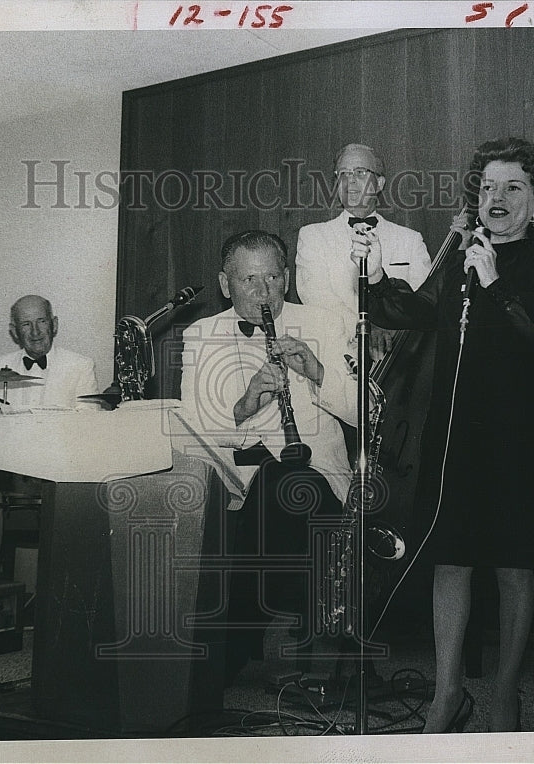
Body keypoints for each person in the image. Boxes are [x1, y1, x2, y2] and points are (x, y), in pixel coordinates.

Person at [353, 137, 534, 732]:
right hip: (457, 430)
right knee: (449, 558)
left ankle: (505, 693)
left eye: (512, 188)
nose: (495, 198)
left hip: (520, 432)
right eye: (487, 188)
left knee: (513, 561)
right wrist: (375, 282)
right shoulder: (460, 255)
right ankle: (446, 694)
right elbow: (415, 310)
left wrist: (497, 283)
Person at [178, 230, 358, 683]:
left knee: (290, 482)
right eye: (249, 280)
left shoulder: (324, 323)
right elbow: (196, 429)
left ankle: (243, 634)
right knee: (278, 482)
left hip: (318, 475)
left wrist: (316, 373)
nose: (263, 292)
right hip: (237, 482)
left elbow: (366, 411)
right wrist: (249, 399)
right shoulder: (201, 334)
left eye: (273, 278)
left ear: (288, 277)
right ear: (225, 284)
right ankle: (314, 639)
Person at [295, 143, 432, 360]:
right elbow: (317, 297)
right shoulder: (312, 236)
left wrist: (391, 330)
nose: (350, 181)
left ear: (379, 183)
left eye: (360, 172)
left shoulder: (410, 240)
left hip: (397, 360)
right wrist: (367, 329)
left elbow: (423, 303)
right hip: (337, 357)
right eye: (343, 174)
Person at [0, 294, 98, 408]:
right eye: (26, 324)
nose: (35, 332)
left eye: (42, 321)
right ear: (14, 331)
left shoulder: (81, 366)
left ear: (54, 325)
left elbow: (87, 419)